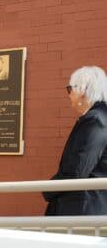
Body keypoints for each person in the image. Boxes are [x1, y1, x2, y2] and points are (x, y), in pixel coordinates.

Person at [43, 66, 107, 215]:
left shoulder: (95, 121)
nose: (69, 95)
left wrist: (48, 190)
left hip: (84, 209)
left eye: (70, 89)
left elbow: (78, 170)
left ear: (83, 90)